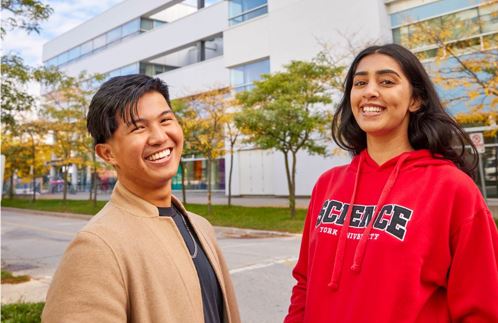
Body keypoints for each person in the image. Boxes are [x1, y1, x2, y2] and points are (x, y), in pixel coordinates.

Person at [284, 44, 498, 322]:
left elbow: (482, 307)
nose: (369, 91)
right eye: (360, 82)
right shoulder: (328, 184)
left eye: (386, 81)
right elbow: (305, 282)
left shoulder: (451, 188)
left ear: (415, 100)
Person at [42, 75, 241, 323]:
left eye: (166, 120)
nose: (159, 137)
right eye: (138, 128)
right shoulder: (97, 247)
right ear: (107, 153)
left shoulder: (200, 227)